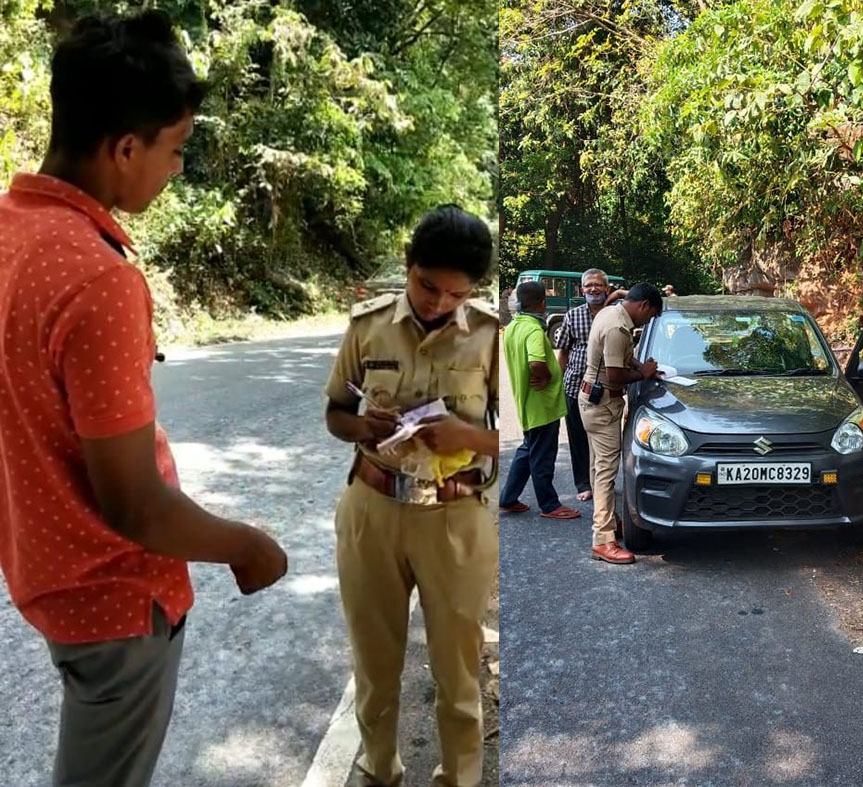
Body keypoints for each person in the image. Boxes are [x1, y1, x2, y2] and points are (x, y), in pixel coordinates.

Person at [0, 12, 288, 787]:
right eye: (175, 150)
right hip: (115, 600)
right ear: (125, 147)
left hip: (45, 573)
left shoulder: (9, 232)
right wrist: (247, 545)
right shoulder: (96, 279)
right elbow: (132, 503)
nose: (175, 170)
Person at [324, 205, 500, 787]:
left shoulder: (491, 338)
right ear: (409, 265)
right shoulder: (367, 326)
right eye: (428, 286)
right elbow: (335, 414)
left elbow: (521, 438)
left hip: (455, 517)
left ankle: (460, 776)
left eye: (455, 294)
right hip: (372, 509)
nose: (437, 302)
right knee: (375, 664)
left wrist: (466, 435)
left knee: (457, 671)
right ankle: (380, 768)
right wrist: (364, 427)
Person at [579, 282, 663, 564]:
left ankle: (606, 517)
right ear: (644, 306)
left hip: (594, 400)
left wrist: (644, 367)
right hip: (602, 404)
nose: (647, 321)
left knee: (597, 464)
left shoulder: (610, 312)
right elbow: (615, 375)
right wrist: (642, 376)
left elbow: (624, 357)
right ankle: (603, 539)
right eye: (649, 317)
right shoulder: (617, 327)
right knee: (606, 470)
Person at [499, 280, 580, 519]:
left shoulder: (513, 326)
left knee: (528, 451)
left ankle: (508, 498)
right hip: (543, 405)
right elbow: (536, 362)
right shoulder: (534, 329)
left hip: (527, 404)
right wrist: (544, 377)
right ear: (543, 303)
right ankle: (550, 505)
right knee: (543, 456)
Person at [554, 268, 627, 502]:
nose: (593, 289)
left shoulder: (617, 314)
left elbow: (634, 295)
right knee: (578, 438)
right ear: (581, 290)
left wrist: (615, 296)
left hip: (607, 386)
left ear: (607, 288)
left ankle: (603, 483)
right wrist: (561, 380)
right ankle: (584, 484)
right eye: (588, 286)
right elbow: (563, 351)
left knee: (603, 439)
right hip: (576, 385)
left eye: (598, 285)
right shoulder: (572, 316)